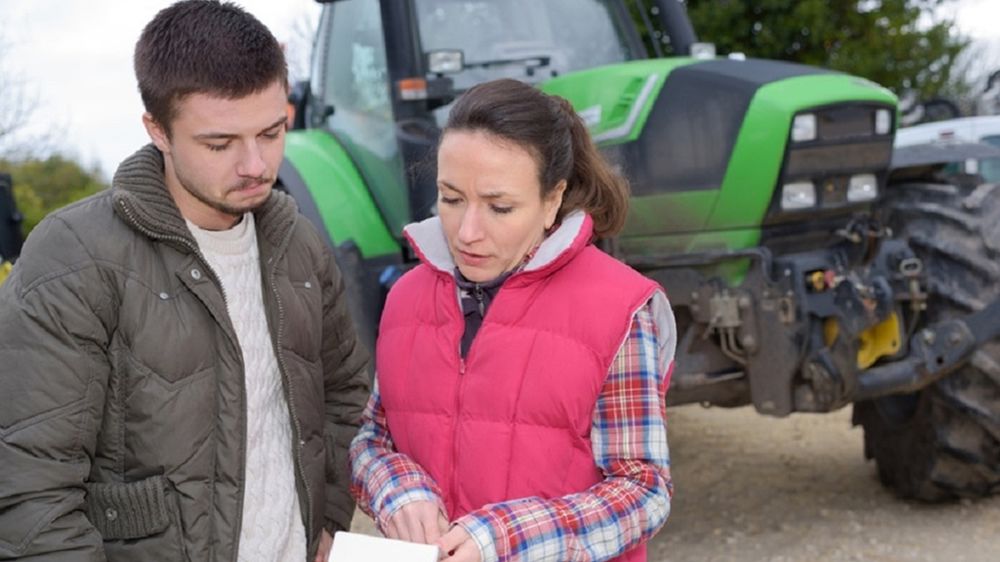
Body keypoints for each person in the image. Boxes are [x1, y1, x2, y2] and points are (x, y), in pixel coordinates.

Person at [0, 2, 369, 561]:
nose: (255, 164)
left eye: (272, 132)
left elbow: (345, 398)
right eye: (220, 144)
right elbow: (31, 489)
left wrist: (330, 521)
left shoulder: (302, 246)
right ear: (158, 131)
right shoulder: (75, 256)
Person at [350, 78, 677, 562]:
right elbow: (373, 438)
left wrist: (503, 537)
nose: (467, 232)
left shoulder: (621, 309)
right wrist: (397, 489)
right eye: (451, 198)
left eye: (499, 207)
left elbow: (643, 490)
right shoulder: (405, 298)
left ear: (552, 201)